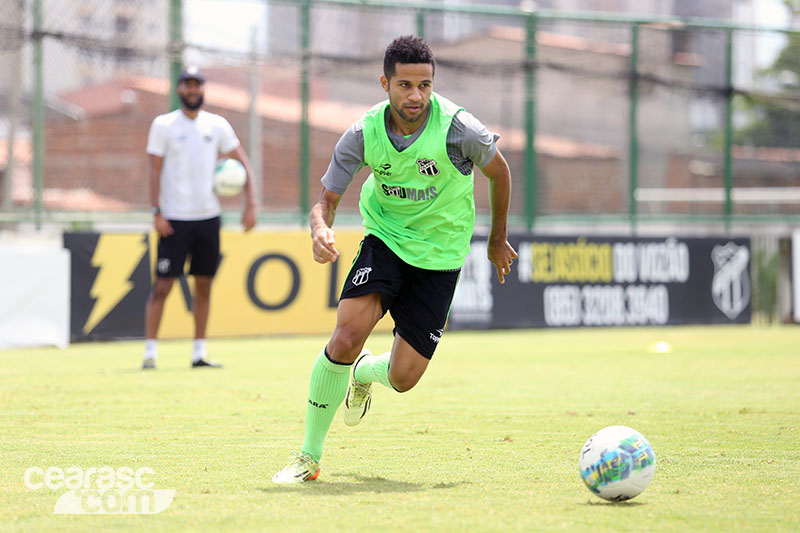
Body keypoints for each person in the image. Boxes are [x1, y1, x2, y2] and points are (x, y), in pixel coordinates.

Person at [272, 36, 517, 483]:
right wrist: (319, 229)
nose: (416, 96)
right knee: (345, 335)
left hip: (441, 254)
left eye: (425, 85)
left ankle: (366, 371)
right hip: (385, 238)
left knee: (404, 378)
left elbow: (499, 171)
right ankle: (308, 457)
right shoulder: (364, 133)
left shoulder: (460, 129)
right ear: (385, 83)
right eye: (405, 85)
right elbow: (325, 200)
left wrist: (497, 238)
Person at [141, 66, 257, 370]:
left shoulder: (216, 125)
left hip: (208, 219)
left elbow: (243, 164)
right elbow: (153, 171)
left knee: (203, 285)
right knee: (163, 286)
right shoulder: (163, 125)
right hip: (174, 220)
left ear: (203, 90)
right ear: (179, 89)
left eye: (197, 85)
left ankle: (199, 352)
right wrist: (156, 211)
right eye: (187, 85)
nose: (192, 90)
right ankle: (150, 352)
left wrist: (251, 204)